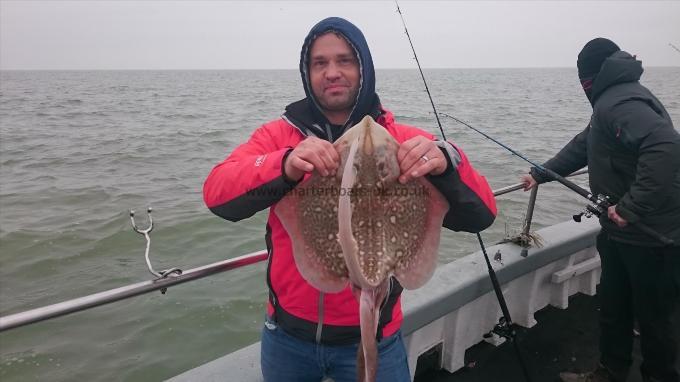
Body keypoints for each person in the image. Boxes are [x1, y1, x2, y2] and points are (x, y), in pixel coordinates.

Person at [203, 17, 497, 382]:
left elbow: (481, 216)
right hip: (288, 337)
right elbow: (218, 193)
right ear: (306, 72)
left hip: (378, 334)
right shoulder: (278, 137)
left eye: (345, 60)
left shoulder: (404, 140)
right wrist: (285, 163)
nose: (332, 72)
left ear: (364, 68)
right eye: (320, 63)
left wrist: (446, 164)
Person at [521, 38, 680, 382]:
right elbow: (585, 145)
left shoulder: (622, 99)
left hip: (653, 237)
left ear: (589, 77)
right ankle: (610, 372)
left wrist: (632, 206)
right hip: (622, 232)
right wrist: (539, 173)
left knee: (656, 322)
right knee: (614, 308)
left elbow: (665, 145)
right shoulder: (611, 102)